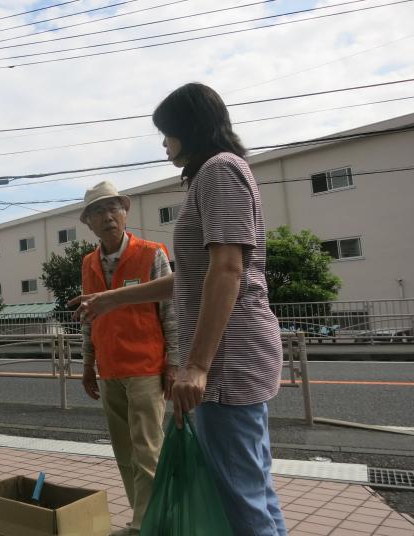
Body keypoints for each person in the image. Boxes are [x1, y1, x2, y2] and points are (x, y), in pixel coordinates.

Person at [72, 84, 287, 536]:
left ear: (188, 129)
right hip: (222, 360)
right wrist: (109, 300)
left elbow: (228, 270)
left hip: (226, 362)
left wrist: (196, 366)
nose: (164, 143)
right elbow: (193, 277)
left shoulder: (219, 171)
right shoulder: (216, 173)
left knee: (240, 501)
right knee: (253, 490)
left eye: (167, 132)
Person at [77, 181, 178, 536]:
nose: (108, 217)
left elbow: (171, 311)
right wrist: (87, 364)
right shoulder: (89, 263)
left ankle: (151, 526)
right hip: (109, 369)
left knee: (148, 451)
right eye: (98, 211)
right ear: (88, 221)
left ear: (125, 212)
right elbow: (89, 317)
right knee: (123, 451)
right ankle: (142, 520)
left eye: (113, 208)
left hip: (147, 368)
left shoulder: (152, 254)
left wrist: (175, 363)